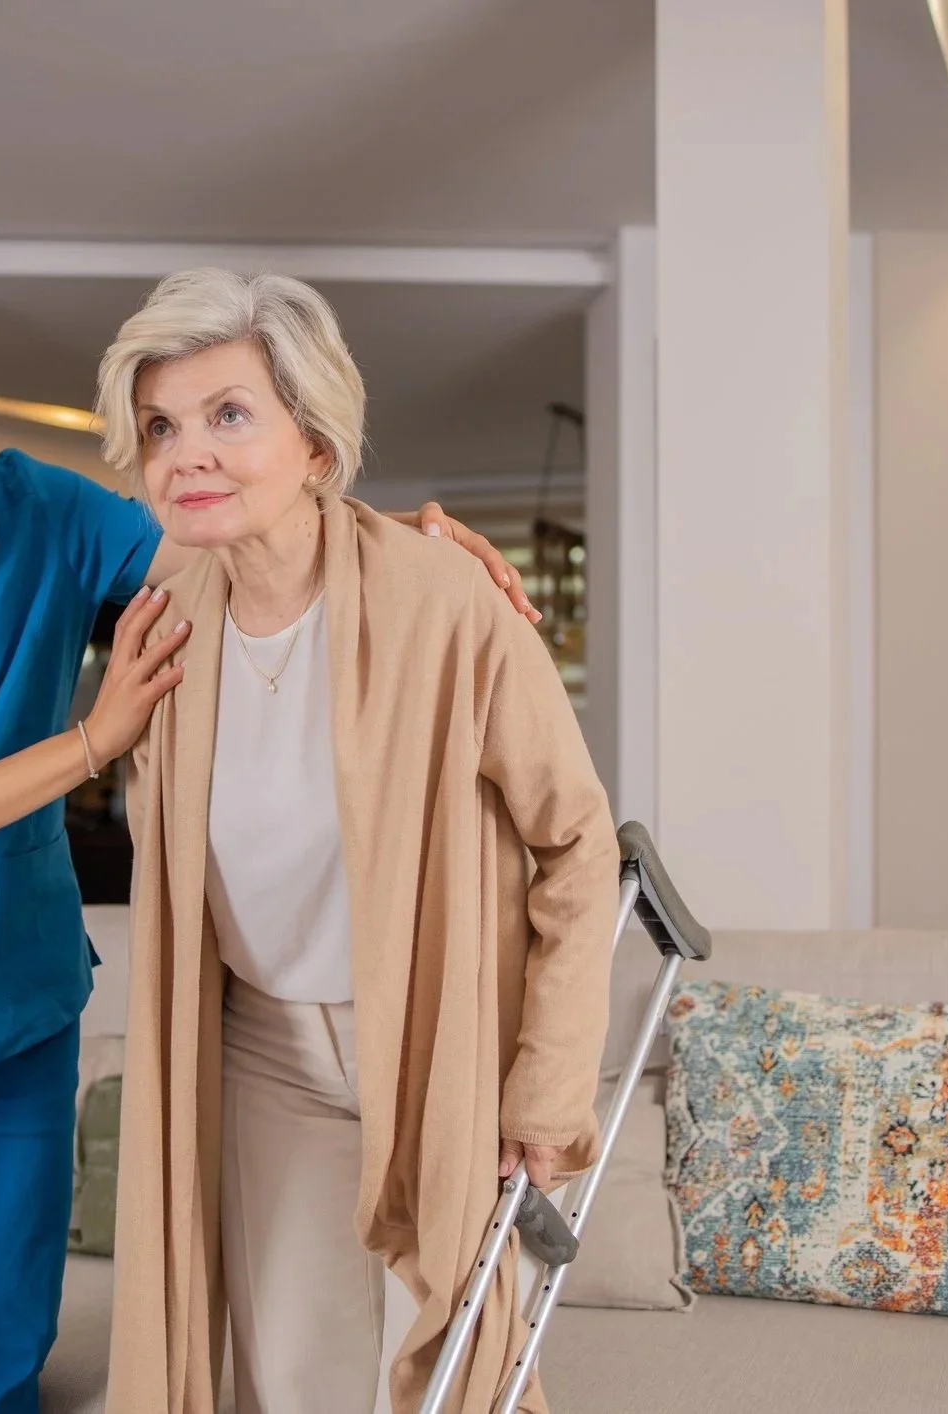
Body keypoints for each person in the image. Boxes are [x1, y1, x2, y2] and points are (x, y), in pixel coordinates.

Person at [0, 255, 533, 1413]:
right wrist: (90, 739)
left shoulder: (28, 511)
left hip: (9, 996)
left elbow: (237, 547)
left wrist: (404, 557)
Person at [97, 269, 620, 1414]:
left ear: (317, 446)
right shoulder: (164, 600)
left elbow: (578, 844)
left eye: (228, 414)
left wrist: (545, 1088)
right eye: (158, 426)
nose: (187, 451)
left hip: (433, 1043)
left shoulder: (444, 600)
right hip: (264, 1052)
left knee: (446, 1377)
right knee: (292, 1380)